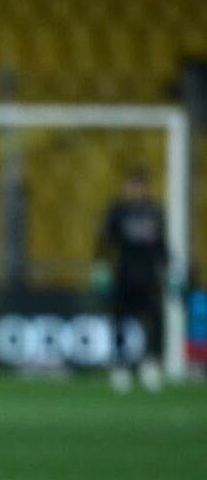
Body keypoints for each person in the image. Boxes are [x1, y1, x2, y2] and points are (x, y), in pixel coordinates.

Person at [94, 168, 168, 392]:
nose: (137, 191)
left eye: (141, 186)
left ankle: (151, 363)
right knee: (119, 320)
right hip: (123, 275)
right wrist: (101, 267)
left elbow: (162, 247)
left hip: (148, 277)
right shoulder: (118, 212)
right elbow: (104, 242)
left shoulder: (154, 212)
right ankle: (120, 364)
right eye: (134, 186)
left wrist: (169, 270)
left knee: (154, 320)